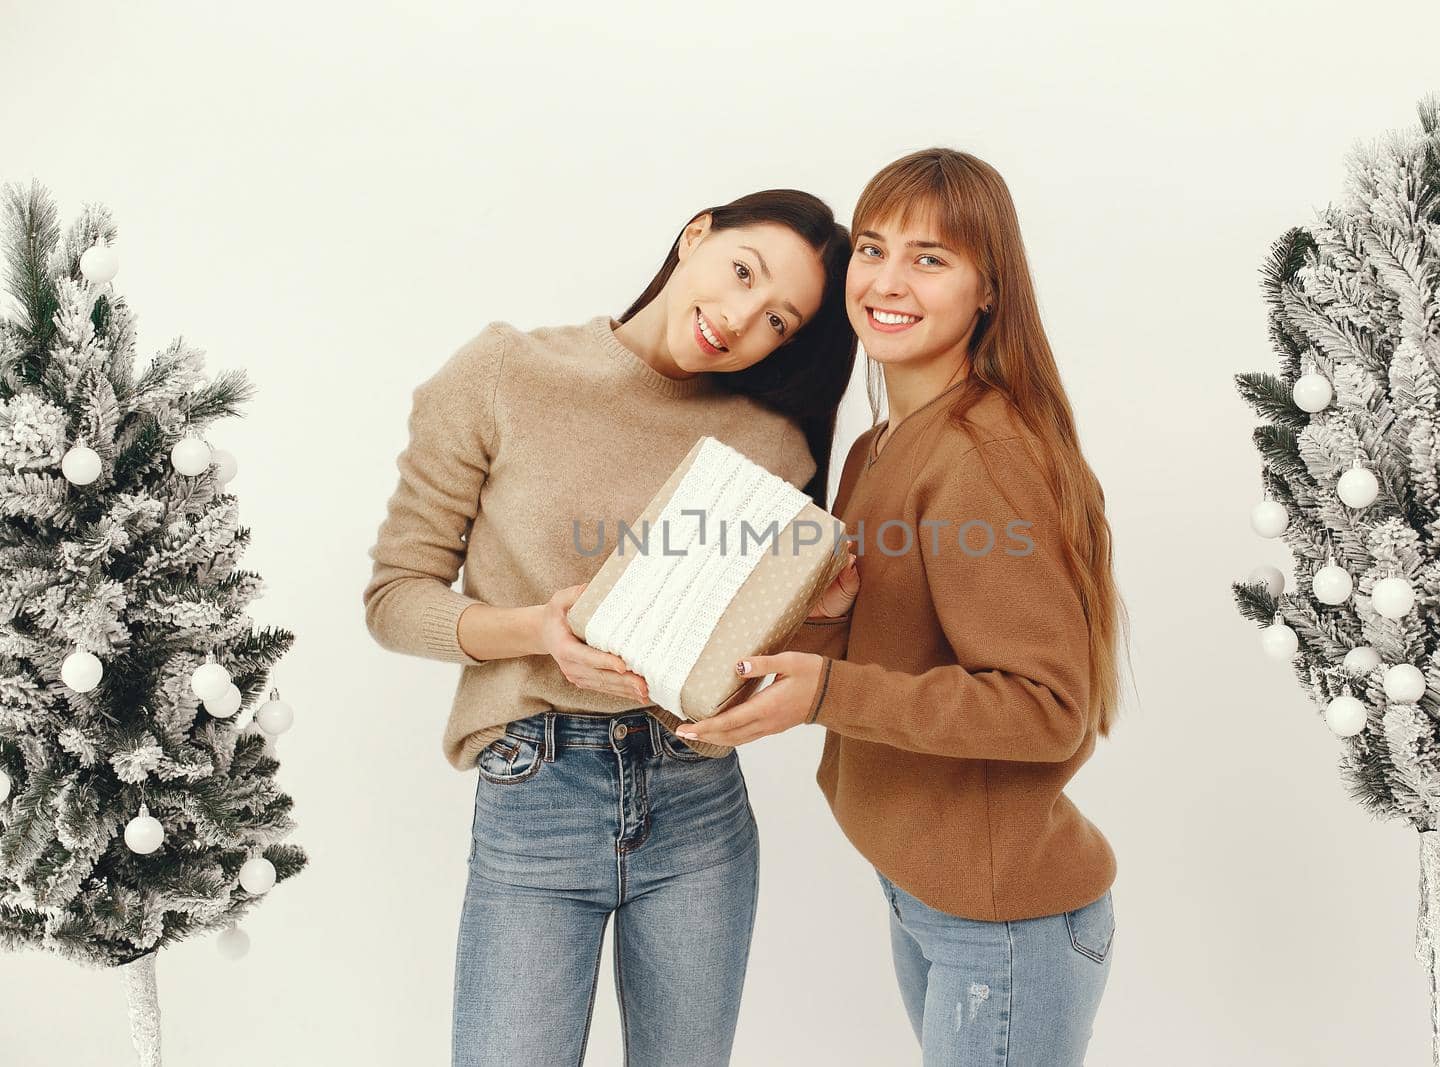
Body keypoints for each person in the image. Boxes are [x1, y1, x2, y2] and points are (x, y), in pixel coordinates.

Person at [361, 189, 855, 1066]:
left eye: (778, 319)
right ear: (695, 234)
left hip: (699, 805)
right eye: (742, 272)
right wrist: (535, 631)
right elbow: (396, 597)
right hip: (535, 789)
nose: (740, 317)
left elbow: (749, 659)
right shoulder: (505, 371)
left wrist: (823, 612)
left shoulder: (775, 445)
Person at [679, 149, 1130, 1066]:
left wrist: (825, 690)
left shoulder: (982, 457)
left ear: (989, 288)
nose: (886, 281)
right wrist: (816, 632)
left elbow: (1048, 709)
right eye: (874, 248)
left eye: (930, 259)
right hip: (928, 890)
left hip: (1002, 926)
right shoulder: (881, 446)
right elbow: (896, 648)